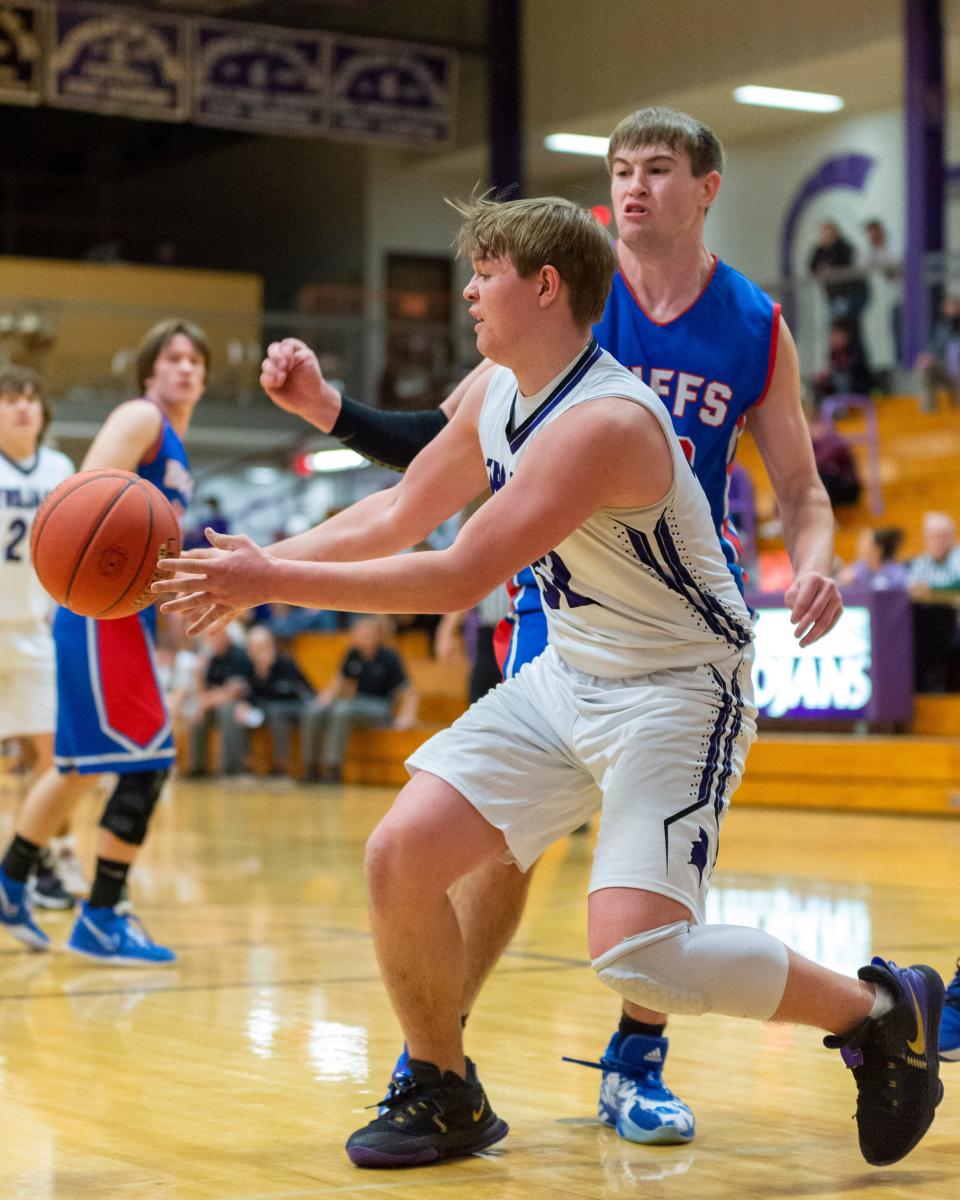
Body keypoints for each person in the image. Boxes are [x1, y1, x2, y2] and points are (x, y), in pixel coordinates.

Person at [157, 194, 944, 1171]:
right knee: (400, 856)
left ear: (545, 285)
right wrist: (262, 562)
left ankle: (878, 1013)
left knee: (637, 951)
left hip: (680, 687)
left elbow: (457, 573)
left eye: (486, 273)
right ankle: (442, 1087)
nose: (469, 291)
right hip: (575, 671)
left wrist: (270, 581)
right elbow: (403, 507)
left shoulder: (604, 420)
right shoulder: (498, 389)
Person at [0, 317, 208, 964]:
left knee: (75, 767)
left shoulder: (175, 440)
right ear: (149, 371)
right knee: (148, 762)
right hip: (100, 611)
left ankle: (10, 880)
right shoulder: (140, 417)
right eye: (173, 358)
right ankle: (102, 913)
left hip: (123, 612)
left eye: (195, 360)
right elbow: (85, 497)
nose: (187, 369)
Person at [0, 365, 85, 910]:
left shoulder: (60, 468)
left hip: (36, 629)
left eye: (32, 397)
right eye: (10, 397)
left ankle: (51, 858)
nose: (23, 406)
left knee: (59, 757)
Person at [300, 616, 416, 783]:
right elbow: (339, 681)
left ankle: (333, 769)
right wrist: (325, 698)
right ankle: (310, 766)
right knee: (314, 711)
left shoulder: (389, 657)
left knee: (342, 709)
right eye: (360, 634)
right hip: (357, 703)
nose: (364, 638)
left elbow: (409, 691)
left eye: (368, 634)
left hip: (381, 707)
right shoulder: (353, 653)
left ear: (377, 636)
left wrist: (406, 715)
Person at [245, 624, 314, 778]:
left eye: (262, 647)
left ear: (271, 646)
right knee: (237, 712)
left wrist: (267, 674)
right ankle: (244, 766)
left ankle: (282, 766)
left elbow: (305, 692)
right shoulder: (249, 668)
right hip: (267, 709)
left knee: (277, 711)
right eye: (254, 648)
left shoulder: (285, 664)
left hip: (296, 707)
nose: (258, 652)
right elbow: (252, 697)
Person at [186, 626, 255, 778]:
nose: (214, 642)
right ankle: (197, 768)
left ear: (227, 638)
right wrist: (198, 674)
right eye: (211, 639)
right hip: (216, 704)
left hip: (248, 705)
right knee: (196, 717)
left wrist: (206, 702)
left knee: (227, 710)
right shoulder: (211, 659)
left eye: (217, 637)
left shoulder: (238, 655)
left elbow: (234, 691)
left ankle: (231, 769)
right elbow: (202, 694)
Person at [908, 511, 960, 694]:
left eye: (943, 536)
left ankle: (935, 690)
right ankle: (922, 690)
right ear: (926, 539)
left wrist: (931, 590)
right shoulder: (922, 562)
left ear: (954, 537)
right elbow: (911, 587)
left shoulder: (957, 557)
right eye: (934, 536)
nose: (938, 541)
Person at [808, 220, 869, 325]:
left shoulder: (844, 247)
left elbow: (848, 264)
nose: (827, 236)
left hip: (851, 293)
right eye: (824, 233)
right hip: (833, 294)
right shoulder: (819, 250)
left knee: (846, 325)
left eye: (830, 233)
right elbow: (812, 266)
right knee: (837, 325)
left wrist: (831, 269)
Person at [809, 410, 863, 507]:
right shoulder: (817, 442)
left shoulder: (832, 441)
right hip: (837, 483)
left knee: (814, 481)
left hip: (848, 487)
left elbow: (815, 462)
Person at [915, 296, 960, 412]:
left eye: (954, 306)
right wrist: (926, 357)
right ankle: (929, 410)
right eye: (948, 306)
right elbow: (932, 348)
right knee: (926, 368)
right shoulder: (941, 328)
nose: (952, 310)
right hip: (946, 369)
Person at [813, 318, 874, 403]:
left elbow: (853, 370)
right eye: (831, 336)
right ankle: (821, 408)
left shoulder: (855, 351)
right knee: (820, 381)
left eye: (836, 336)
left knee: (841, 377)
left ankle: (842, 409)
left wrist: (833, 371)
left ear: (846, 336)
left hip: (857, 387)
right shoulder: (833, 353)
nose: (833, 339)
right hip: (839, 386)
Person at [838, 527, 908, 591]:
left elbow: (903, 594)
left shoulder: (896, 571)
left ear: (878, 549)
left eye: (865, 544)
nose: (859, 548)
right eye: (860, 543)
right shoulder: (857, 569)